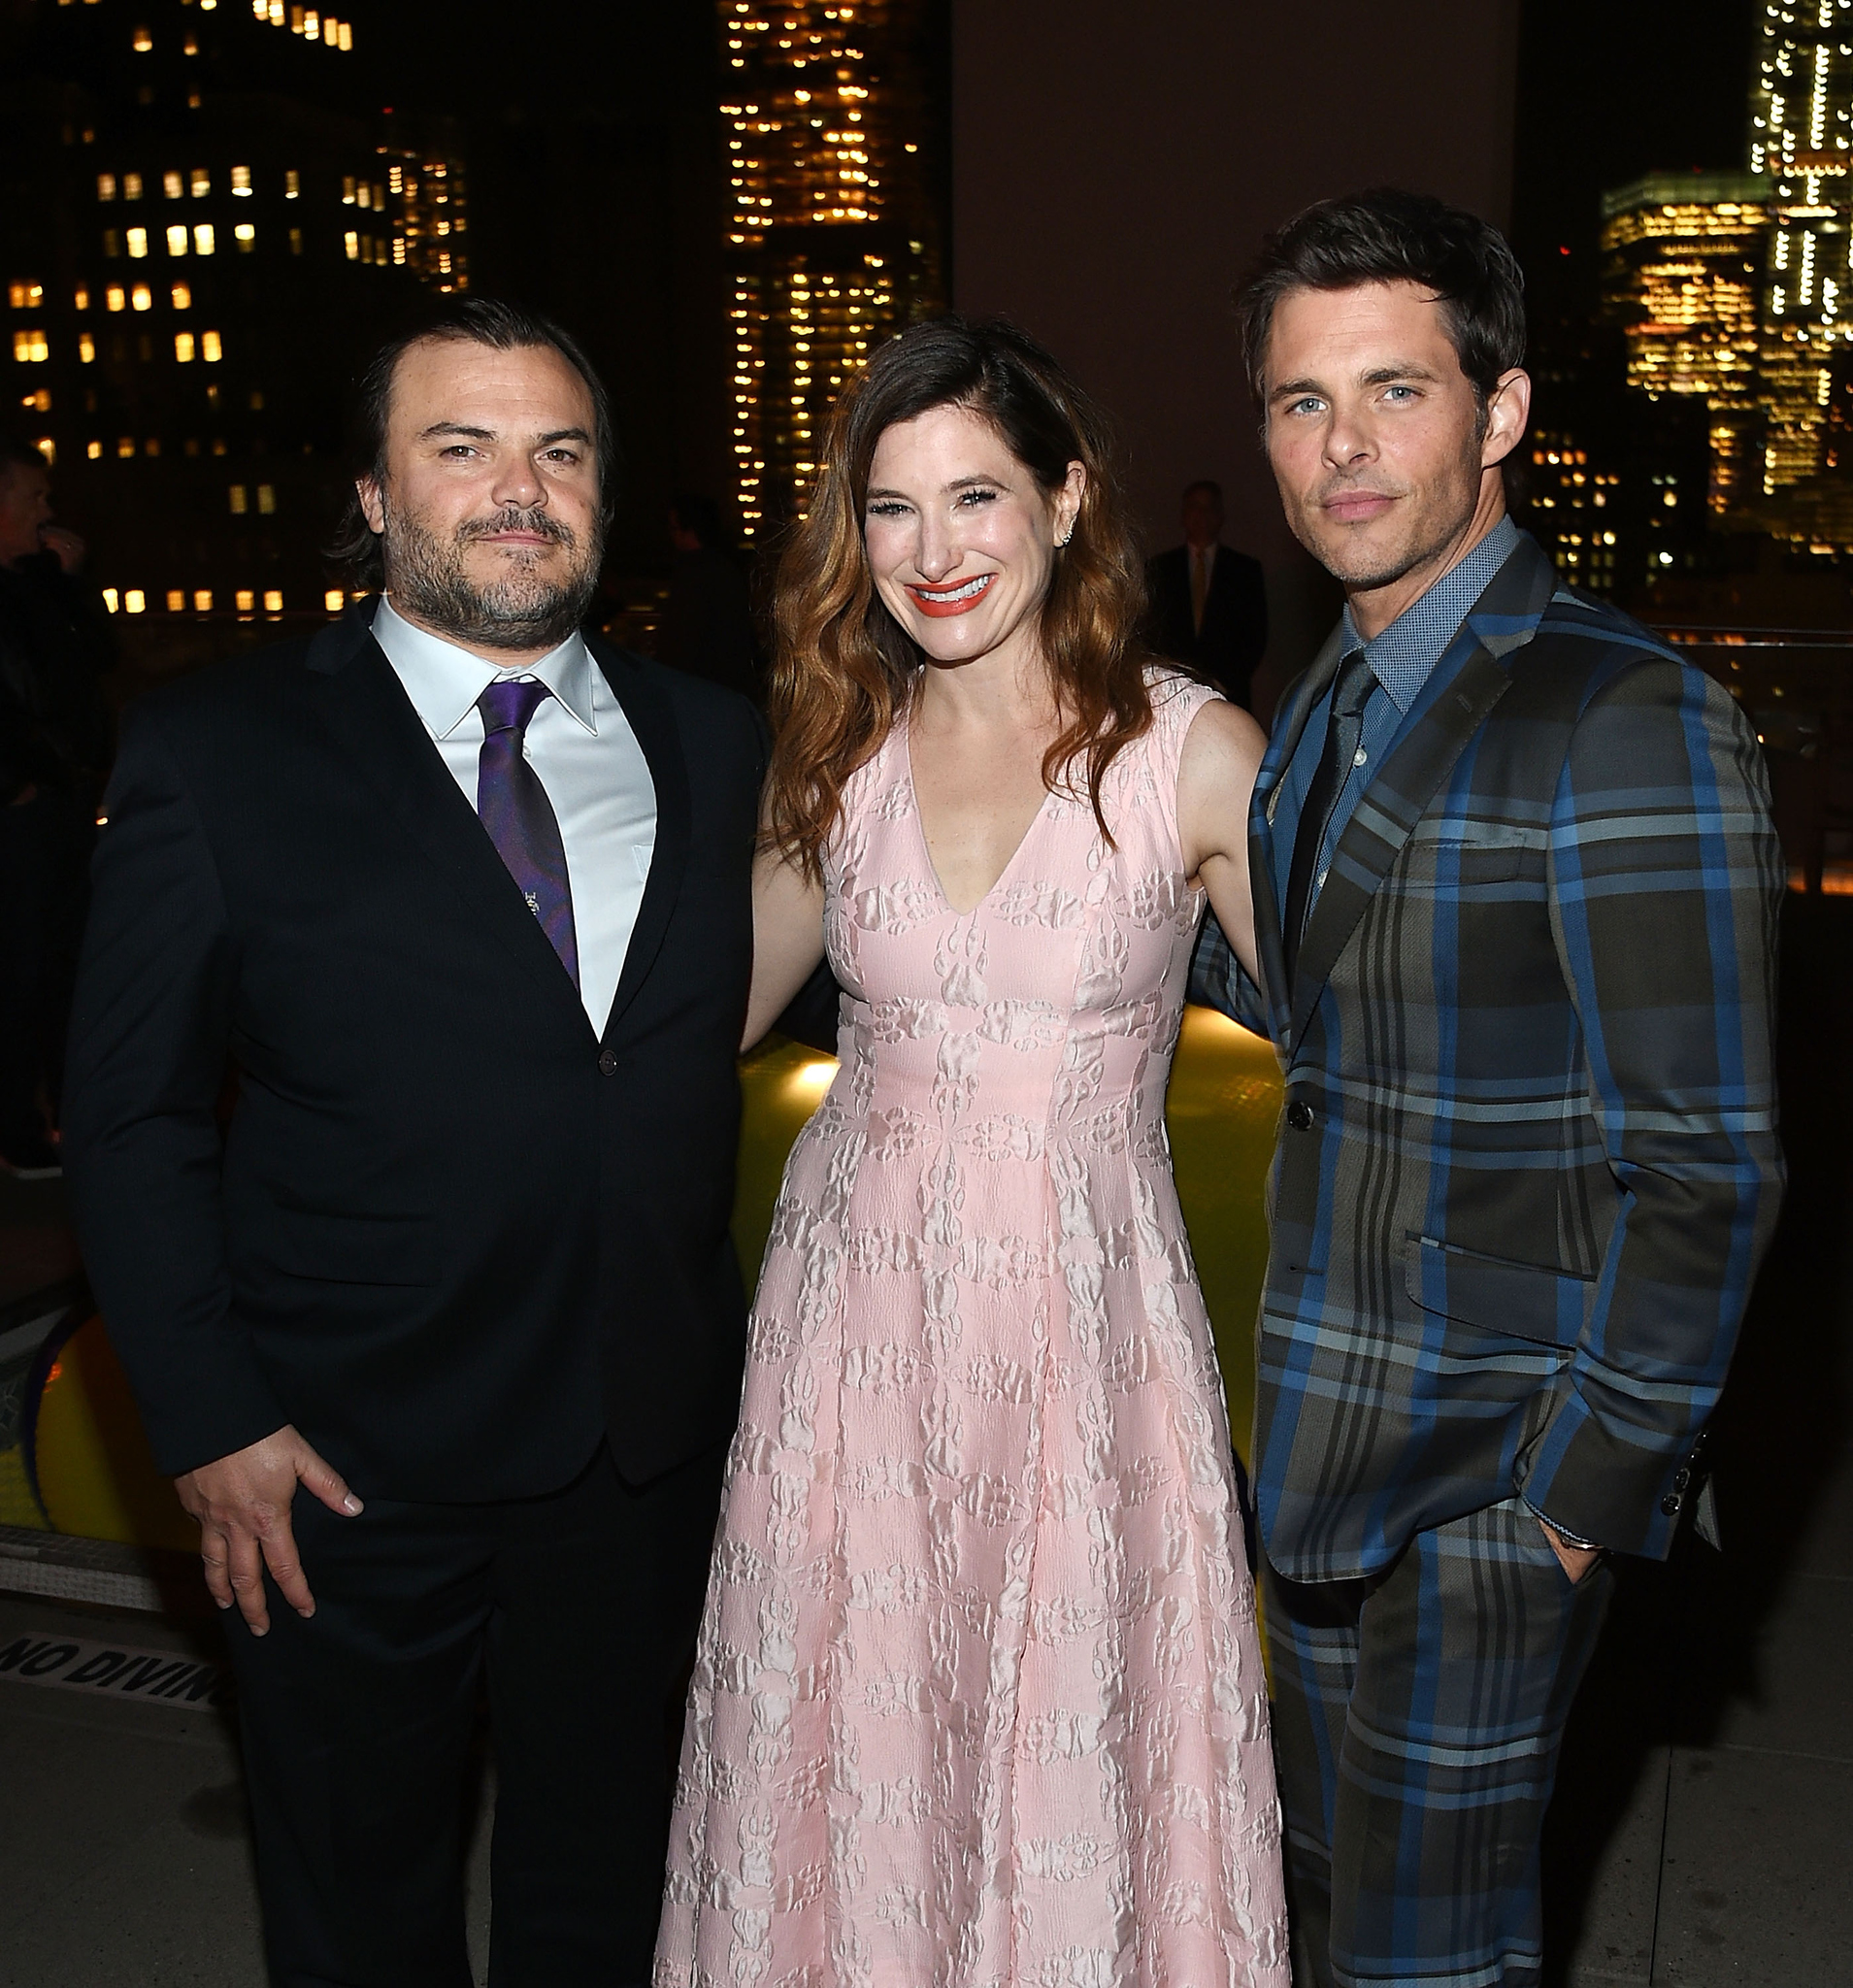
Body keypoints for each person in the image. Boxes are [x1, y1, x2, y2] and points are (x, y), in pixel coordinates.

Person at [62, 299, 767, 1987]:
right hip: (338, 1461)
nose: (516, 489)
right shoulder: (215, 752)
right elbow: (129, 1108)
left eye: (558, 450)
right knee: (358, 1898)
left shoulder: (716, 739)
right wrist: (211, 1410)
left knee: (608, 1887)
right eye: (460, 448)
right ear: (376, 496)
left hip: (640, 1448)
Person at [1189, 190, 1784, 1988]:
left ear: (1500, 411)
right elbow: (1321, 1004)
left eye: (1391, 390)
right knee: (1312, 1898)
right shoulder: (1331, 695)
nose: (1340, 447)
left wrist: (1573, 1498)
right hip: (1312, 1440)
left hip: (1488, 1483)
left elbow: (1705, 1164)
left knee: (1426, 1954)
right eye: (1299, 402)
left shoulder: (1622, 713)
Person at [655, 317, 1290, 1987]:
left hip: (1080, 1350)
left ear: (1067, 497)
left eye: (975, 497)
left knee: (1062, 1747)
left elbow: (1373, 1042)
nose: (932, 553)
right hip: (848, 1340)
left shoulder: (1188, 750)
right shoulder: (838, 752)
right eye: (889, 508)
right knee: (854, 1741)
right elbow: (696, 1012)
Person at [0, 436, 114, 1176]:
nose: (47, 511)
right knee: (19, 970)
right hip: (22, 811)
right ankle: (20, 1131)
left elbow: (88, 667)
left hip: (61, 804)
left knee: (62, 965)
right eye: (33, 496)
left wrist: (68, 584)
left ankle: (68, 1121)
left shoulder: (31, 584)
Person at [1145, 479, 1268, 708]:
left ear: (1220, 516)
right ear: (1183, 515)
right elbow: (1152, 632)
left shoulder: (1244, 569)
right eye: (1194, 507)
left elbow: (1255, 635)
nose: (1201, 514)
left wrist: (1222, 681)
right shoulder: (1159, 569)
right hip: (1171, 694)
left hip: (1229, 694)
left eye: (1208, 507)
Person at [658, 490, 758, 702]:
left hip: (701, 690)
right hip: (730, 688)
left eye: (674, 528)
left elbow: (680, 642)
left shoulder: (693, 574)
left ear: (687, 528)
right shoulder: (726, 568)